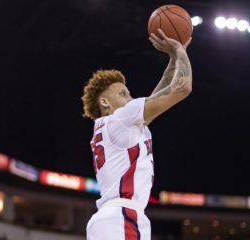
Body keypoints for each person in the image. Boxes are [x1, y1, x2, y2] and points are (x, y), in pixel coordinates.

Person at [81, 29, 192, 240]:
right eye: (123, 94)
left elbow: (157, 97)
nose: (131, 98)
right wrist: (179, 51)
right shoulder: (122, 118)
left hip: (108, 219)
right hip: (122, 217)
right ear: (104, 102)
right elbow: (182, 88)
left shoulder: (112, 126)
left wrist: (173, 59)